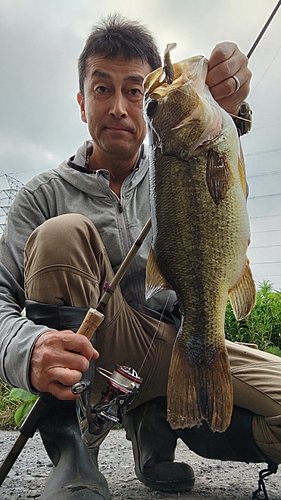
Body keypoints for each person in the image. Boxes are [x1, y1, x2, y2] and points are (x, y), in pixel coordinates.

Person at [0, 13, 280, 500]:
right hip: (98, 355)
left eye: (136, 92)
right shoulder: (41, 195)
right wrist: (27, 350)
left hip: (181, 338)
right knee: (60, 234)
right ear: (82, 101)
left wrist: (229, 101)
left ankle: (173, 422)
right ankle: (71, 450)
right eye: (102, 89)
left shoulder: (180, 160)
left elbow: (222, 155)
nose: (119, 107)